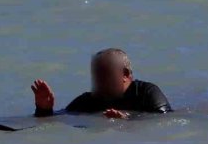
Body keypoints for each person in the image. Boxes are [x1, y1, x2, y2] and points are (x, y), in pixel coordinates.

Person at [31, 48, 172, 119]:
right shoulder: (89, 100)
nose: (99, 81)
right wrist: (44, 109)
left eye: (105, 75)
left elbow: (165, 121)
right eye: (96, 75)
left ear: (126, 74)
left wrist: (129, 119)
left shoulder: (147, 93)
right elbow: (56, 120)